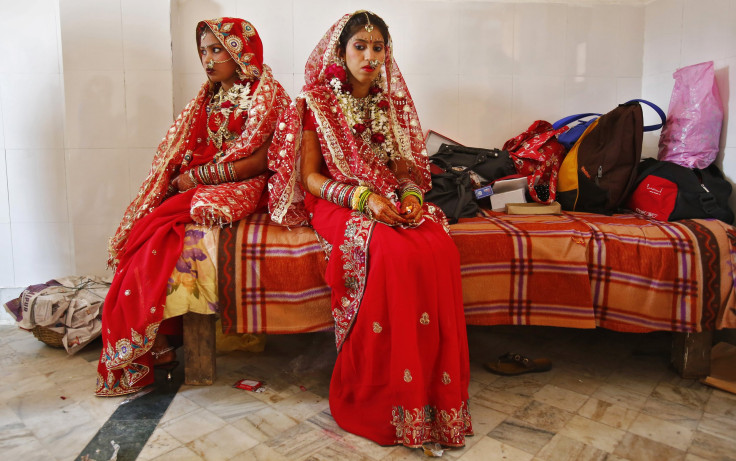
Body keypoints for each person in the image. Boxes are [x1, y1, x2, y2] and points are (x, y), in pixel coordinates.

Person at [268, 11, 472, 448]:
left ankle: (433, 399)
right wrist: (363, 200)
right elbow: (309, 179)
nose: (370, 55)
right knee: (394, 254)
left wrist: (413, 197)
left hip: (386, 197)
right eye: (360, 45)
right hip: (336, 200)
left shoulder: (392, 102)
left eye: (378, 47)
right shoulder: (315, 102)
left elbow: (406, 168)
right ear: (340, 51)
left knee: (439, 247)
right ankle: (385, 397)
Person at [96, 18, 290, 396]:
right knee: (146, 231)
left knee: (158, 233)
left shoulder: (269, 95)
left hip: (247, 184)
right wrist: (184, 174)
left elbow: (265, 160)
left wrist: (203, 176)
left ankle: (158, 343)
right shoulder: (208, 96)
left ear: (240, 51)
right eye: (203, 51)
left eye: (217, 50)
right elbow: (189, 148)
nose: (208, 59)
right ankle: (160, 342)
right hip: (204, 179)